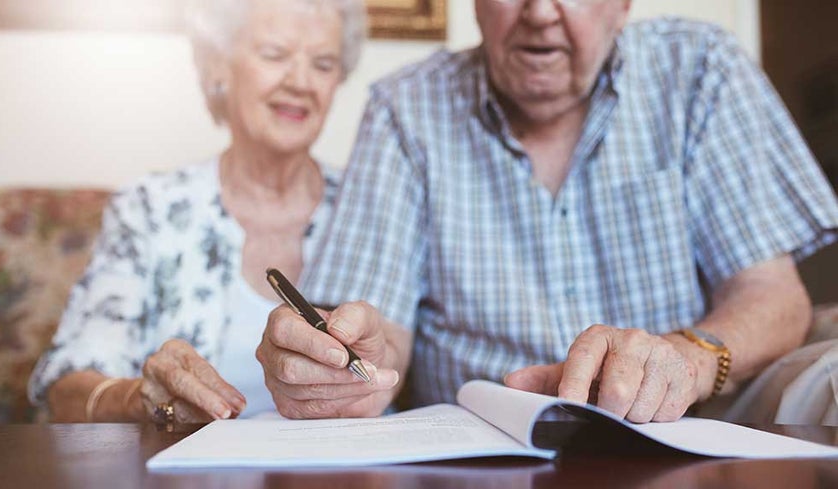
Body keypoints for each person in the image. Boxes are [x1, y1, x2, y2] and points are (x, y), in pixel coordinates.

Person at [257, 0, 838, 422]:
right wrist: (346, 366)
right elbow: (381, 339)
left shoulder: (700, 69)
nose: (539, 11)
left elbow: (775, 298)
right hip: (474, 464)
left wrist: (685, 358)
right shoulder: (404, 108)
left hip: (683, 447)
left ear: (623, 5)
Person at [28, 0, 366, 423]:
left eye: (323, 63)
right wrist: (140, 398)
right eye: (275, 54)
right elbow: (66, 391)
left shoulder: (371, 203)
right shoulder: (151, 208)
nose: (300, 81)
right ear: (218, 66)